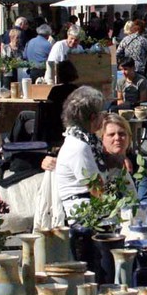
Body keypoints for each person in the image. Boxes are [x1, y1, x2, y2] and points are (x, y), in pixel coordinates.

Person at [52, 87, 105, 222]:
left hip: (90, 211)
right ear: (93, 117)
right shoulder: (79, 146)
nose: (103, 116)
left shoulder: (83, 141)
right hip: (85, 217)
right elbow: (97, 189)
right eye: (101, 112)